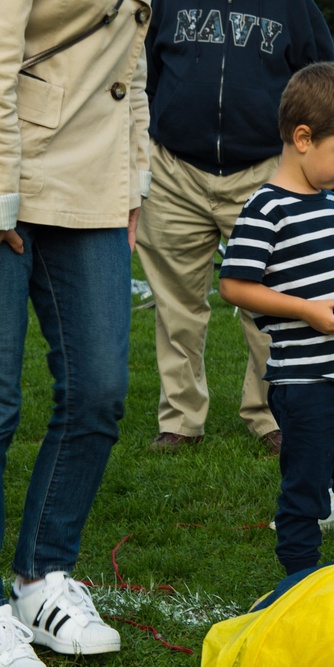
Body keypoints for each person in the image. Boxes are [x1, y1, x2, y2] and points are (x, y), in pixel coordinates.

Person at [1, 2, 152, 662]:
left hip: (90, 175)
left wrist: (132, 179)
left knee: (99, 389)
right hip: (7, 159)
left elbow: (132, 66)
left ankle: (41, 579)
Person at [218, 62, 334, 577]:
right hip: (308, 384)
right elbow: (235, 284)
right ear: (303, 138)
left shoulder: (332, 205)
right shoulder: (266, 208)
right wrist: (305, 311)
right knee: (306, 488)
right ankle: (299, 580)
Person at [136, 1, 334, 454]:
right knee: (176, 307)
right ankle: (181, 421)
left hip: (263, 169)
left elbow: (323, 78)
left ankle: (271, 415)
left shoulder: (294, 4)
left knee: (274, 303)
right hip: (172, 166)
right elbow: (136, 73)